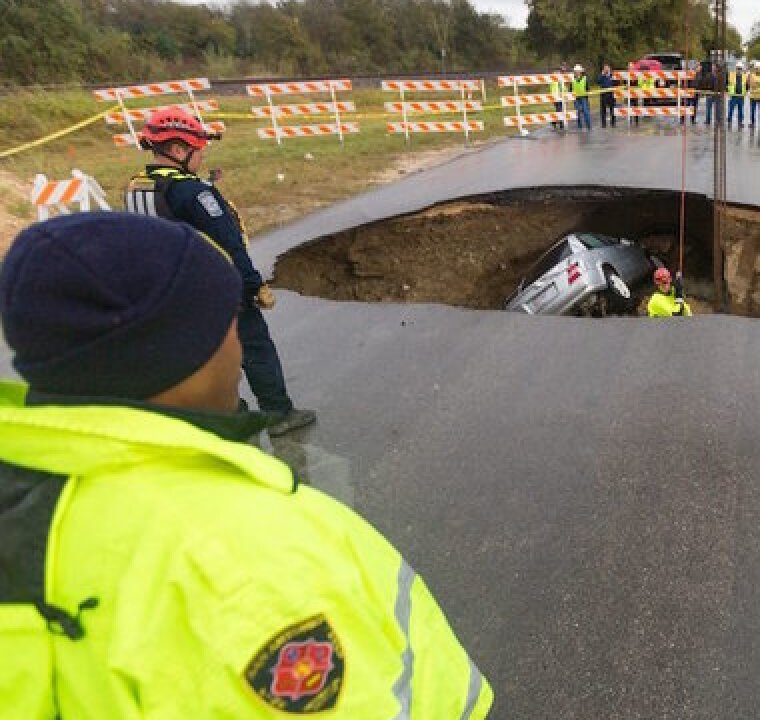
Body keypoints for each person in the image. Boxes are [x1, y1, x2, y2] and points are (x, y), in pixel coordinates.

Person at [0, 213, 494, 718]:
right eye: (226, 327)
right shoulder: (242, 561)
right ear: (175, 356)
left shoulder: (21, 492)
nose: (237, 349)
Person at [123, 107, 315, 437]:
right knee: (255, 348)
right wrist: (254, 285)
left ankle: (232, 420)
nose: (201, 155)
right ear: (179, 150)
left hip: (171, 293)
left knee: (209, 357)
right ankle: (278, 413)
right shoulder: (194, 193)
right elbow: (228, 243)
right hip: (216, 287)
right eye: (198, 149)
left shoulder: (136, 187)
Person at [726, 61, 747, 130]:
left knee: (740, 110)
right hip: (733, 96)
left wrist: (745, 92)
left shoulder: (744, 76)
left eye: (740, 68)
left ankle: (740, 122)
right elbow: (727, 83)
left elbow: (746, 85)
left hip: (741, 96)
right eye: (738, 68)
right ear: (736, 68)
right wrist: (728, 91)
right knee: (731, 109)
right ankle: (729, 122)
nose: (739, 70)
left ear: (742, 69)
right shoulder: (731, 75)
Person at [571, 63, 591, 131]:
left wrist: (586, 93)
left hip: (583, 98)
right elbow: (570, 89)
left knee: (586, 112)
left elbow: (588, 88)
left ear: (581, 72)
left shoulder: (585, 78)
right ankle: (580, 127)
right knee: (578, 112)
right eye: (576, 71)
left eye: (578, 71)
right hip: (576, 98)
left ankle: (589, 127)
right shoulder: (572, 79)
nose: (577, 72)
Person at [598, 63, 618, 128]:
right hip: (603, 94)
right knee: (603, 110)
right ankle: (603, 124)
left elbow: (616, 83)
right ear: (603, 69)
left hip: (611, 94)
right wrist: (602, 75)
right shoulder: (601, 75)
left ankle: (613, 123)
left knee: (612, 109)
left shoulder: (612, 75)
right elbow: (598, 82)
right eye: (605, 68)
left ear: (609, 68)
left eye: (607, 68)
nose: (606, 69)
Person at [550, 64, 569, 130]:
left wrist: (566, 96)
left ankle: (554, 122)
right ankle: (560, 124)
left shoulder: (564, 77)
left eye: (565, 70)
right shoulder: (555, 75)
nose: (564, 72)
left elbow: (564, 88)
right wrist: (553, 98)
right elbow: (552, 87)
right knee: (559, 110)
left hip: (562, 96)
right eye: (563, 70)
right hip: (556, 96)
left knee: (561, 110)